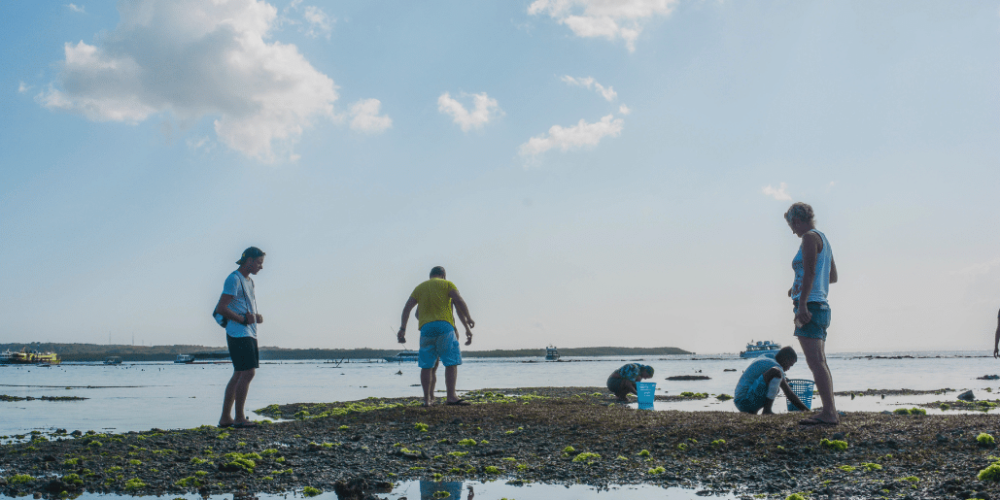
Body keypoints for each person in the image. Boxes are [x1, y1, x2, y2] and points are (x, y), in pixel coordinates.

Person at [785, 202, 839, 425]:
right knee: (820, 362)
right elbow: (831, 276)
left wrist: (804, 303)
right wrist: (796, 287)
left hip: (812, 307)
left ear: (797, 220)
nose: (792, 231)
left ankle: (829, 413)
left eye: (791, 225)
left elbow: (810, 272)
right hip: (821, 306)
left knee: (816, 363)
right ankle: (830, 411)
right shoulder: (823, 238)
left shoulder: (808, 238)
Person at [398, 266, 475, 406]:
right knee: (451, 362)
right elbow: (459, 300)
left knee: (427, 365)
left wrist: (402, 328)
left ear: (430, 276)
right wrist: (469, 318)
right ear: (443, 275)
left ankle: (427, 400)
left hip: (426, 329)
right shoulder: (447, 284)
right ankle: (451, 396)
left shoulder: (420, 288)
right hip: (445, 327)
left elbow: (408, 309)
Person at [214, 247, 265, 428]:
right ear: (249, 260)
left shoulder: (249, 282)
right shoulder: (233, 279)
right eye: (259, 262)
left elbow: (243, 306)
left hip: (249, 332)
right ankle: (239, 418)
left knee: (239, 374)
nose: (261, 267)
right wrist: (243, 319)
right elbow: (222, 308)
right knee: (248, 372)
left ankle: (226, 418)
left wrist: (255, 317)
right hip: (238, 333)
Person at [734, 346, 808, 414]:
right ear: (785, 359)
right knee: (776, 373)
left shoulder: (767, 358)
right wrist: (806, 410)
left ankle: (755, 412)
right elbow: (789, 393)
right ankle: (767, 410)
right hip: (744, 402)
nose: (788, 369)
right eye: (790, 365)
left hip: (740, 400)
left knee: (777, 384)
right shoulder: (775, 366)